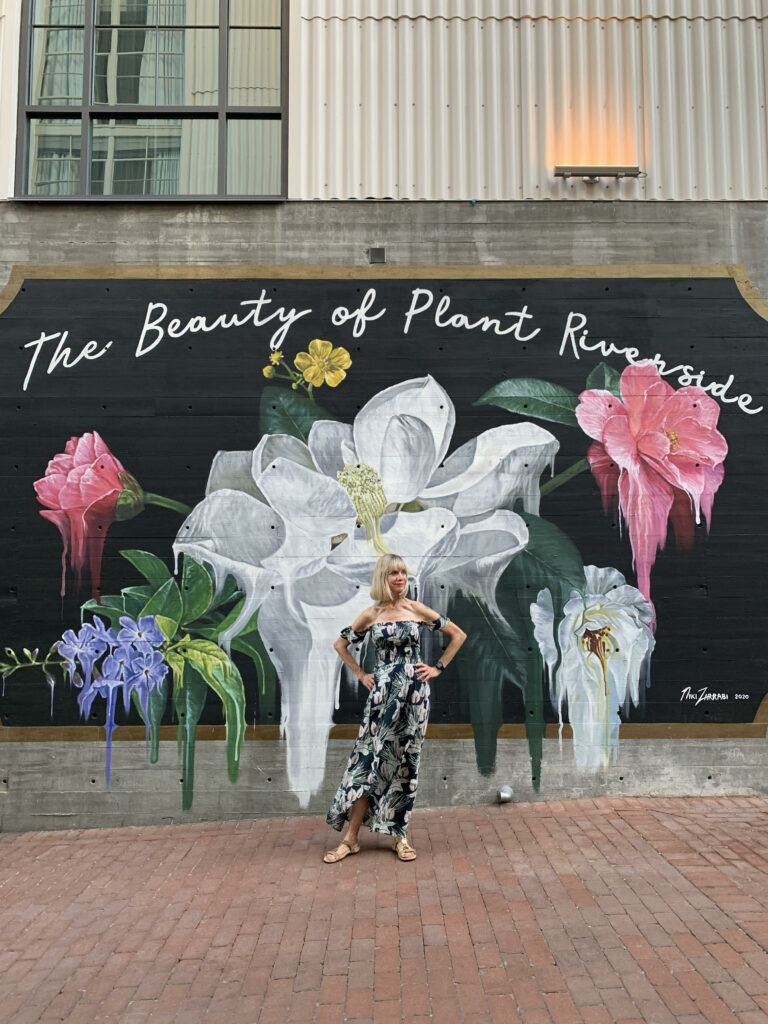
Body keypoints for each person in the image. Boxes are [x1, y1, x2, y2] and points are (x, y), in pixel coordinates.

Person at [324, 553, 466, 863]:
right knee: (369, 760)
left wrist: (438, 667)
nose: (400, 577)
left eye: (403, 572)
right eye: (393, 573)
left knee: (405, 762)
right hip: (382, 696)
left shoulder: (417, 610)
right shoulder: (371, 614)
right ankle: (351, 839)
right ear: (383, 578)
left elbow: (458, 635)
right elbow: (340, 644)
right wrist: (361, 673)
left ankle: (399, 836)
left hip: (415, 696)